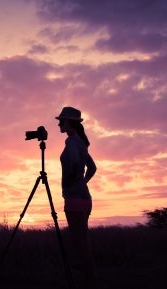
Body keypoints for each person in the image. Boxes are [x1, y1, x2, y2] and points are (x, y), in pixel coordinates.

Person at [56, 106, 97, 289]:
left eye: (61, 121)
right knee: (82, 242)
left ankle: (90, 282)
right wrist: (82, 182)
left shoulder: (72, 142)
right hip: (85, 199)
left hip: (74, 199)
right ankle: (88, 280)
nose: (59, 124)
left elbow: (73, 162)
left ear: (69, 122)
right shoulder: (82, 143)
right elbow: (92, 168)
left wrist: (70, 182)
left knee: (81, 244)